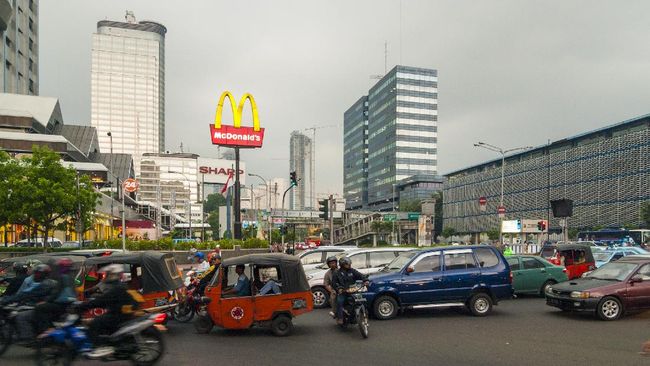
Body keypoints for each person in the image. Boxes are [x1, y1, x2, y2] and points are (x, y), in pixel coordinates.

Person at [76, 264, 141, 359]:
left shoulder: (116, 287)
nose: (106, 276)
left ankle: (99, 347)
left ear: (114, 275)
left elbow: (101, 300)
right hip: (119, 312)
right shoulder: (117, 285)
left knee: (94, 323)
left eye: (109, 274)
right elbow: (96, 290)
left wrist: (84, 306)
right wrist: (86, 294)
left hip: (119, 315)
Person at [33, 258, 77, 334]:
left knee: (40, 308)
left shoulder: (62, 277)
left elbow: (56, 292)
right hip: (69, 303)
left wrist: (45, 301)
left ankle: (45, 330)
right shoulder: (72, 277)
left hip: (61, 304)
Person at [332, 257, 368, 325]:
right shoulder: (337, 273)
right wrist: (339, 288)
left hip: (353, 291)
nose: (349, 265)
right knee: (340, 302)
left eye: (349, 264)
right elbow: (334, 283)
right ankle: (340, 318)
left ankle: (363, 313)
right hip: (343, 292)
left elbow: (360, 275)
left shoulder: (352, 271)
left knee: (362, 300)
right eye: (347, 264)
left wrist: (365, 280)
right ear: (342, 264)